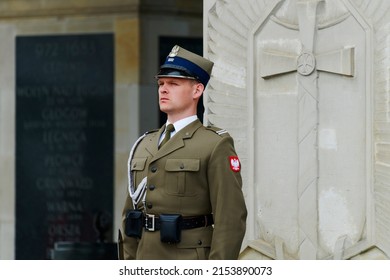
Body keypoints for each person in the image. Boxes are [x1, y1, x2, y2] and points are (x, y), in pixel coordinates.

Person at [119, 45, 247, 260]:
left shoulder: (215, 144)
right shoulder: (144, 143)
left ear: (197, 90)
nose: (163, 89)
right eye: (161, 83)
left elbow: (230, 218)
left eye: (173, 83)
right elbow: (130, 213)